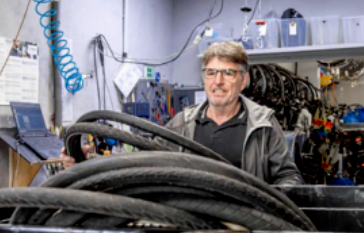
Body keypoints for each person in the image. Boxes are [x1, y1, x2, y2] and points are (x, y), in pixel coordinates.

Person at [60, 41, 303, 185]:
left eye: (228, 73)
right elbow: (142, 163)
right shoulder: (182, 123)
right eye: (211, 72)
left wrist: (268, 204)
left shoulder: (263, 124)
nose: (218, 81)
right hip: (192, 224)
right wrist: (88, 163)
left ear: (243, 80)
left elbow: (289, 176)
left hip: (246, 226)